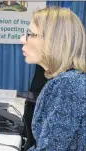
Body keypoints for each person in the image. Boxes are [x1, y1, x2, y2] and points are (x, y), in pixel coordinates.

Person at [20, 7, 86, 150]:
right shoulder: (68, 79)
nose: (22, 39)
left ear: (53, 40)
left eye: (30, 34)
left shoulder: (68, 84)